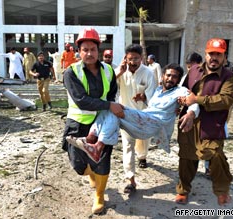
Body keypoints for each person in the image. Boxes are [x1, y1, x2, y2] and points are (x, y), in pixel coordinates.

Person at [66, 63, 199, 163]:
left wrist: (190, 114)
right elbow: (154, 107)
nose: (170, 79)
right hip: (144, 122)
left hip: (154, 124)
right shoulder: (158, 90)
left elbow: (194, 102)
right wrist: (144, 98)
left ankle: (97, 147)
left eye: (175, 77)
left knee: (115, 108)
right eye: (168, 75)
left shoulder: (180, 91)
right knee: (109, 108)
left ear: (179, 79)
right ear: (163, 75)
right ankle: (91, 139)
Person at [62, 27, 122, 214]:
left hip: (102, 123)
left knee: (103, 159)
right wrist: (109, 106)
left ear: (98, 50)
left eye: (93, 49)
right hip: (78, 122)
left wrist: (110, 110)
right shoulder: (71, 72)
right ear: (79, 52)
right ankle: (90, 172)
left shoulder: (108, 70)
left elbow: (111, 94)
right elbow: (81, 100)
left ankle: (99, 196)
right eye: (85, 49)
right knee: (78, 165)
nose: (89, 53)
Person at [175, 38, 233, 206]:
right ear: (206, 54)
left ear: (224, 57)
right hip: (189, 122)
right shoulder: (194, 70)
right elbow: (183, 90)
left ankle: (222, 190)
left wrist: (197, 99)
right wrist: (179, 101)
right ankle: (183, 190)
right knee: (186, 157)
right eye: (211, 54)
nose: (214, 58)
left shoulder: (228, 77)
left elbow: (225, 100)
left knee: (216, 155)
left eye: (218, 54)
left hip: (212, 124)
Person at [114, 44, 156, 194]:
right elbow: (108, 85)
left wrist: (144, 97)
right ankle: (130, 180)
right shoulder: (120, 72)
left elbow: (153, 97)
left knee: (144, 141)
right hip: (125, 115)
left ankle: (142, 156)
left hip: (143, 115)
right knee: (127, 146)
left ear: (142, 58)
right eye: (130, 59)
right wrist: (119, 72)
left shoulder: (148, 73)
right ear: (125, 58)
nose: (133, 62)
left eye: (136, 58)